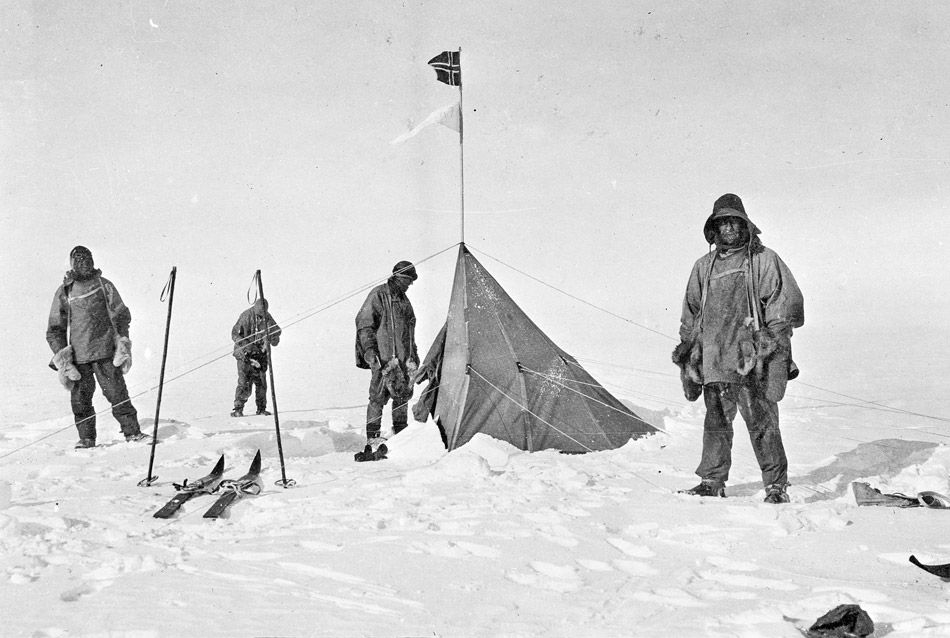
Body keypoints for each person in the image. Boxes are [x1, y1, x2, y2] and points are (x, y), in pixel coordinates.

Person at [673, 194, 804, 504]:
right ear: (714, 229)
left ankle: (775, 485)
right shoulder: (704, 267)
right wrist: (690, 350)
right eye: (722, 222)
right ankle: (711, 481)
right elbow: (691, 312)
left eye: (733, 220)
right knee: (715, 424)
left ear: (745, 224)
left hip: (751, 359)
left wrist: (771, 341)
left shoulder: (763, 259)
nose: (728, 227)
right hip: (715, 358)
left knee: (762, 423)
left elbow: (784, 304)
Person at [46, 246, 146, 449]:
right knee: (81, 402)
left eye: (88, 258)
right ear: (73, 263)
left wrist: (122, 342)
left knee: (117, 395)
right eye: (80, 260)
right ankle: (86, 439)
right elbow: (55, 328)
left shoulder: (103, 285)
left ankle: (132, 432)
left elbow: (121, 315)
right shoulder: (65, 291)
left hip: (106, 353)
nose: (85, 263)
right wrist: (62, 357)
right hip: (78, 359)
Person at [354, 260, 420, 443]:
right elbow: (364, 324)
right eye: (408, 280)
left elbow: (410, 334)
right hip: (382, 359)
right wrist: (369, 350)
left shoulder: (405, 302)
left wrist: (413, 355)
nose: (410, 284)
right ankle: (372, 437)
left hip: (403, 360)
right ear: (399, 277)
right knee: (377, 397)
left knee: (402, 397)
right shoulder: (378, 295)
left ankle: (401, 435)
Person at [230, 298, 281, 417]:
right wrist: (245, 345)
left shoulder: (267, 317)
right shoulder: (246, 316)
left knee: (261, 382)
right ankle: (238, 408)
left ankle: (261, 408)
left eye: (264, 312)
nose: (262, 314)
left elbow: (277, 331)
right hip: (244, 355)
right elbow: (234, 333)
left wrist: (273, 338)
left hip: (260, 355)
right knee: (244, 382)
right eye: (260, 311)